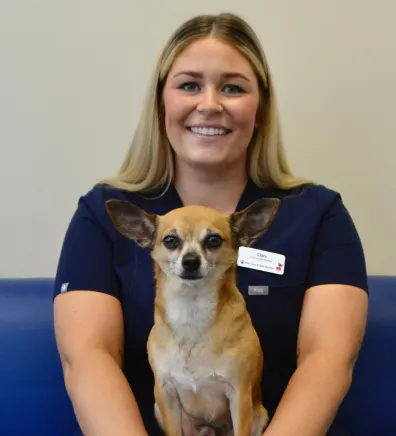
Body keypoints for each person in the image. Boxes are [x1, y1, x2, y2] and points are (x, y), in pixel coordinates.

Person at [53, 12, 369, 436]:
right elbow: (87, 358)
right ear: (161, 103)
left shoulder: (317, 213)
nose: (209, 104)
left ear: (260, 110)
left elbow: (328, 360)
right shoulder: (105, 211)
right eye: (189, 85)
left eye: (233, 87)